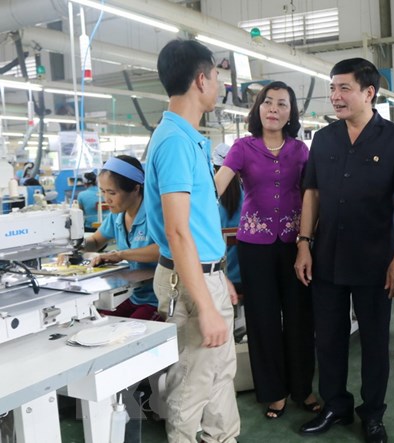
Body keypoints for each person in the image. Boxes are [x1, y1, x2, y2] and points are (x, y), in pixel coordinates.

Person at [294, 57, 394, 443]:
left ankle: (373, 413)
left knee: (375, 341)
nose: (335, 96)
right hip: (327, 256)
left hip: (375, 259)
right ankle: (335, 404)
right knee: (328, 337)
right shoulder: (324, 139)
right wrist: (304, 244)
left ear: (369, 92)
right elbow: (311, 193)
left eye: (344, 88)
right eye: (332, 88)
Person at [144, 39, 240, 443]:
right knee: (193, 385)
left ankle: (222, 438)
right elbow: (178, 231)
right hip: (191, 282)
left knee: (219, 375)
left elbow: (197, 223)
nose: (218, 86)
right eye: (216, 78)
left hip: (206, 273)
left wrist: (220, 274)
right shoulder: (176, 144)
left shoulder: (188, 139)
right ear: (201, 80)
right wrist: (205, 304)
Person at [214, 81, 318, 420]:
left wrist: (307, 241)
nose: (274, 109)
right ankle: (274, 393)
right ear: (258, 109)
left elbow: (310, 197)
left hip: (294, 245)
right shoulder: (242, 148)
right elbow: (217, 186)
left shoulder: (301, 151)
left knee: (300, 317)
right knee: (263, 320)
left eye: (282, 104)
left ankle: (302, 388)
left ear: (291, 113)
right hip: (253, 246)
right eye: (268, 102)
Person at [73, 155, 160, 320]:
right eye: (103, 192)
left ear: (135, 188)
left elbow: (165, 250)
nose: (107, 199)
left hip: (157, 298)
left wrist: (119, 255)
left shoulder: (155, 214)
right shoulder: (117, 215)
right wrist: (73, 245)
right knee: (96, 320)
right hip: (133, 294)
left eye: (112, 192)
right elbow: (96, 241)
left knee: (129, 331)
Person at [212, 142, 243, 290]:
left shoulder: (210, 204)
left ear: (213, 169)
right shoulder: (250, 201)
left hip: (220, 280)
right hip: (250, 276)